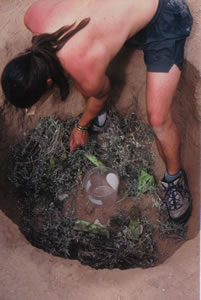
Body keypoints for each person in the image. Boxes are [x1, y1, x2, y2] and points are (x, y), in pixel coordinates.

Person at [1, 0, 193, 223]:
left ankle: (174, 179)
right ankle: (98, 116)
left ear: (48, 82)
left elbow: (101, 93)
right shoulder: (33, 17)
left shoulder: (82, 64)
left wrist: (82, 126)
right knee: (86, 75)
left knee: (158, 118)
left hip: (164, 13)